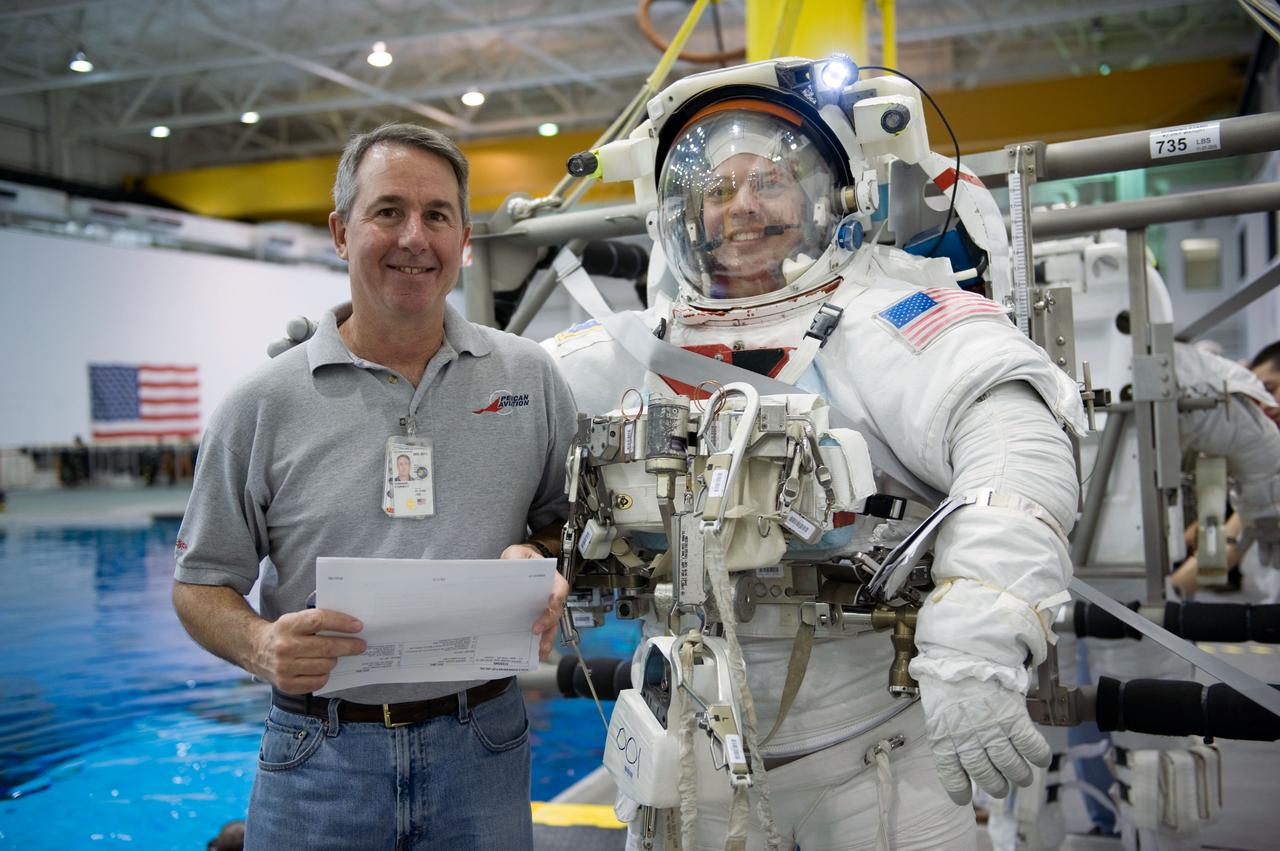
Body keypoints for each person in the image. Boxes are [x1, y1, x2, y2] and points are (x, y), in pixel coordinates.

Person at [541, 60, 1085, 850]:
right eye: (718, 191)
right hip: (689, 750)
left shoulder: (893, 313)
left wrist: (981, 624)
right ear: (684, 215)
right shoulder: (634, 348)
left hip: (876, 753)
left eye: (771, 180)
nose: (742, 208)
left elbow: (1013, 436)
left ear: (833, 194)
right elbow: (507, 427)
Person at [172, 123, 577, 851]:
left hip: (481, 744)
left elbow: (571, 524)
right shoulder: (259, 405)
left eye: (437, 214)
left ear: (464, 240)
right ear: (340, 230)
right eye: (388, 211)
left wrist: (542, 557)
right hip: (319, 754)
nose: (414, 237)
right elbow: (199, 583)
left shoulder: (529, 379)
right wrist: (262, 644)